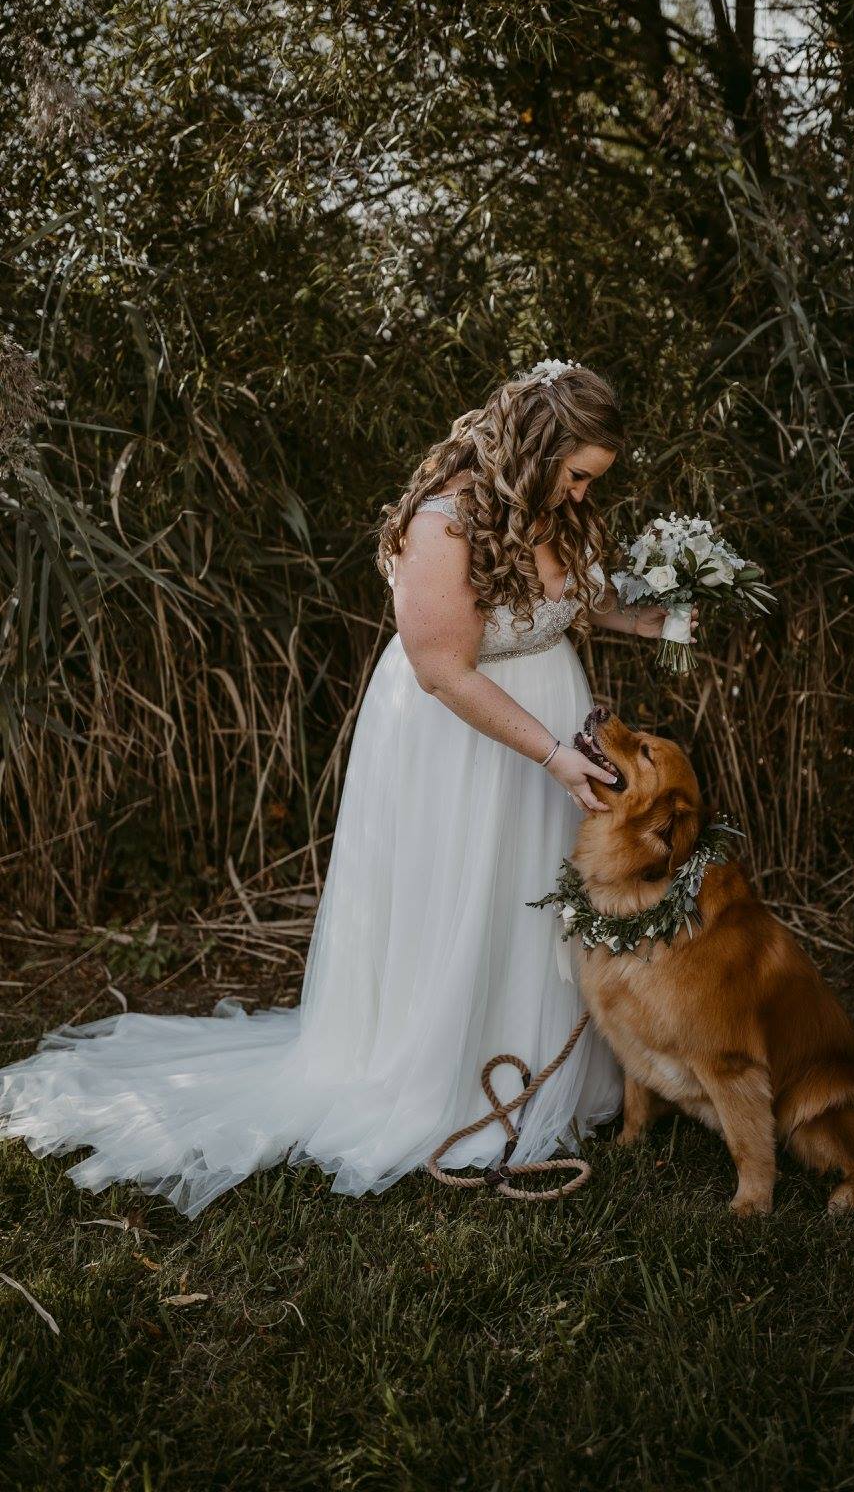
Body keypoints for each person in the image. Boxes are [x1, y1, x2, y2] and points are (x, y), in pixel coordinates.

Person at [0, 359, 698, 1218]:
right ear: (539, 448)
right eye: (580, 474)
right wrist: (553, 754)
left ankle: (545, 1063)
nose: (586, 496)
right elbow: (443, 671)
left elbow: (566, 606)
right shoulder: (444, 522)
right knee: (460, 895)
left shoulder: (549, 513)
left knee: (531, 895)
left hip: (553, 724)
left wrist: (660, 612)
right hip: (465, 742)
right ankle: (440, 1076)